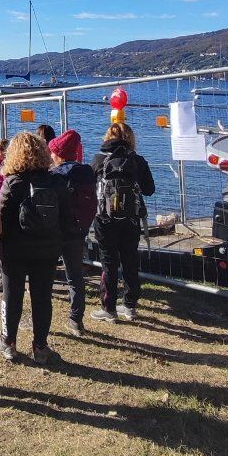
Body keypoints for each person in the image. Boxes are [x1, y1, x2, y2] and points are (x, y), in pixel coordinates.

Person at [0, 132, 72, 364]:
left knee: (12, 297)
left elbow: (0, 218)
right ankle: (40, 346)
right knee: (42, 298)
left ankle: (8, 342)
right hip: (47, 250)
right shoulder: (56, 182)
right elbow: (66, 217)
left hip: (15, 252)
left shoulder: (13, 182)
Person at [91, 123, 155, 323]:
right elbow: (149, 189)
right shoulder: (137, 161)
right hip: (131, 218)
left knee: (108, 262)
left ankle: (109, 308)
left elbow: (90, 184)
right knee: (130, 260)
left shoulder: (100, 159)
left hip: (104, 218)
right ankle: (130, 306)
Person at [48, 130, 97, 338]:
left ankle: (43, 322)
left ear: (58, 153)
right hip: (78, 231)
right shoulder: (87, 173)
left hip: (55, 231)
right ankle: (76, 319)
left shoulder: (55, 175)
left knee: (46, 276)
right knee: (75, 276)